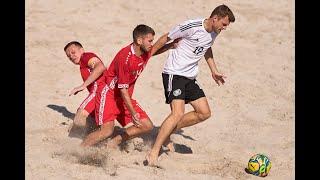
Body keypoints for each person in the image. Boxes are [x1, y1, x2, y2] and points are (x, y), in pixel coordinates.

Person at [145, 4, 235, 166]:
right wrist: (147, 56)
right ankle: (154, 150)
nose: (225, 28)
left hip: (190, 76)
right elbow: (166, 37)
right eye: (224, 24)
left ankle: (165, 133)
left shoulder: (214, 31)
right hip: (174, 73)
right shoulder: (192, 26)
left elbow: (207, 48)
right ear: (215, 18)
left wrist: (213, 70)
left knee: (204, 112)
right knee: (177, 113)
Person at [75, 24, 179, 147]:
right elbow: (123, 90)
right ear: (139, 41)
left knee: (147, 126)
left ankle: (116, 141)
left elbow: (157, 47)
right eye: (150, 40)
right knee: (106, 131)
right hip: (109, 95)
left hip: (123, 97)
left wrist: (172, 43)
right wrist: (132, 112)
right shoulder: (126, 59)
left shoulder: (143, 50)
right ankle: (80, 149)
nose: (152, 43)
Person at [64, 41, 106, 135]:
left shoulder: (85, 56)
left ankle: (77, 142)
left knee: (80, 115)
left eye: (73, 52)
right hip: (103, 92)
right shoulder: (83, 64)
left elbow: (100, 67)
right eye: (68, 56)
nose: (71, 56)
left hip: (100, 91)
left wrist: (83, 85)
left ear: (81, 50)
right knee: (94, 121)